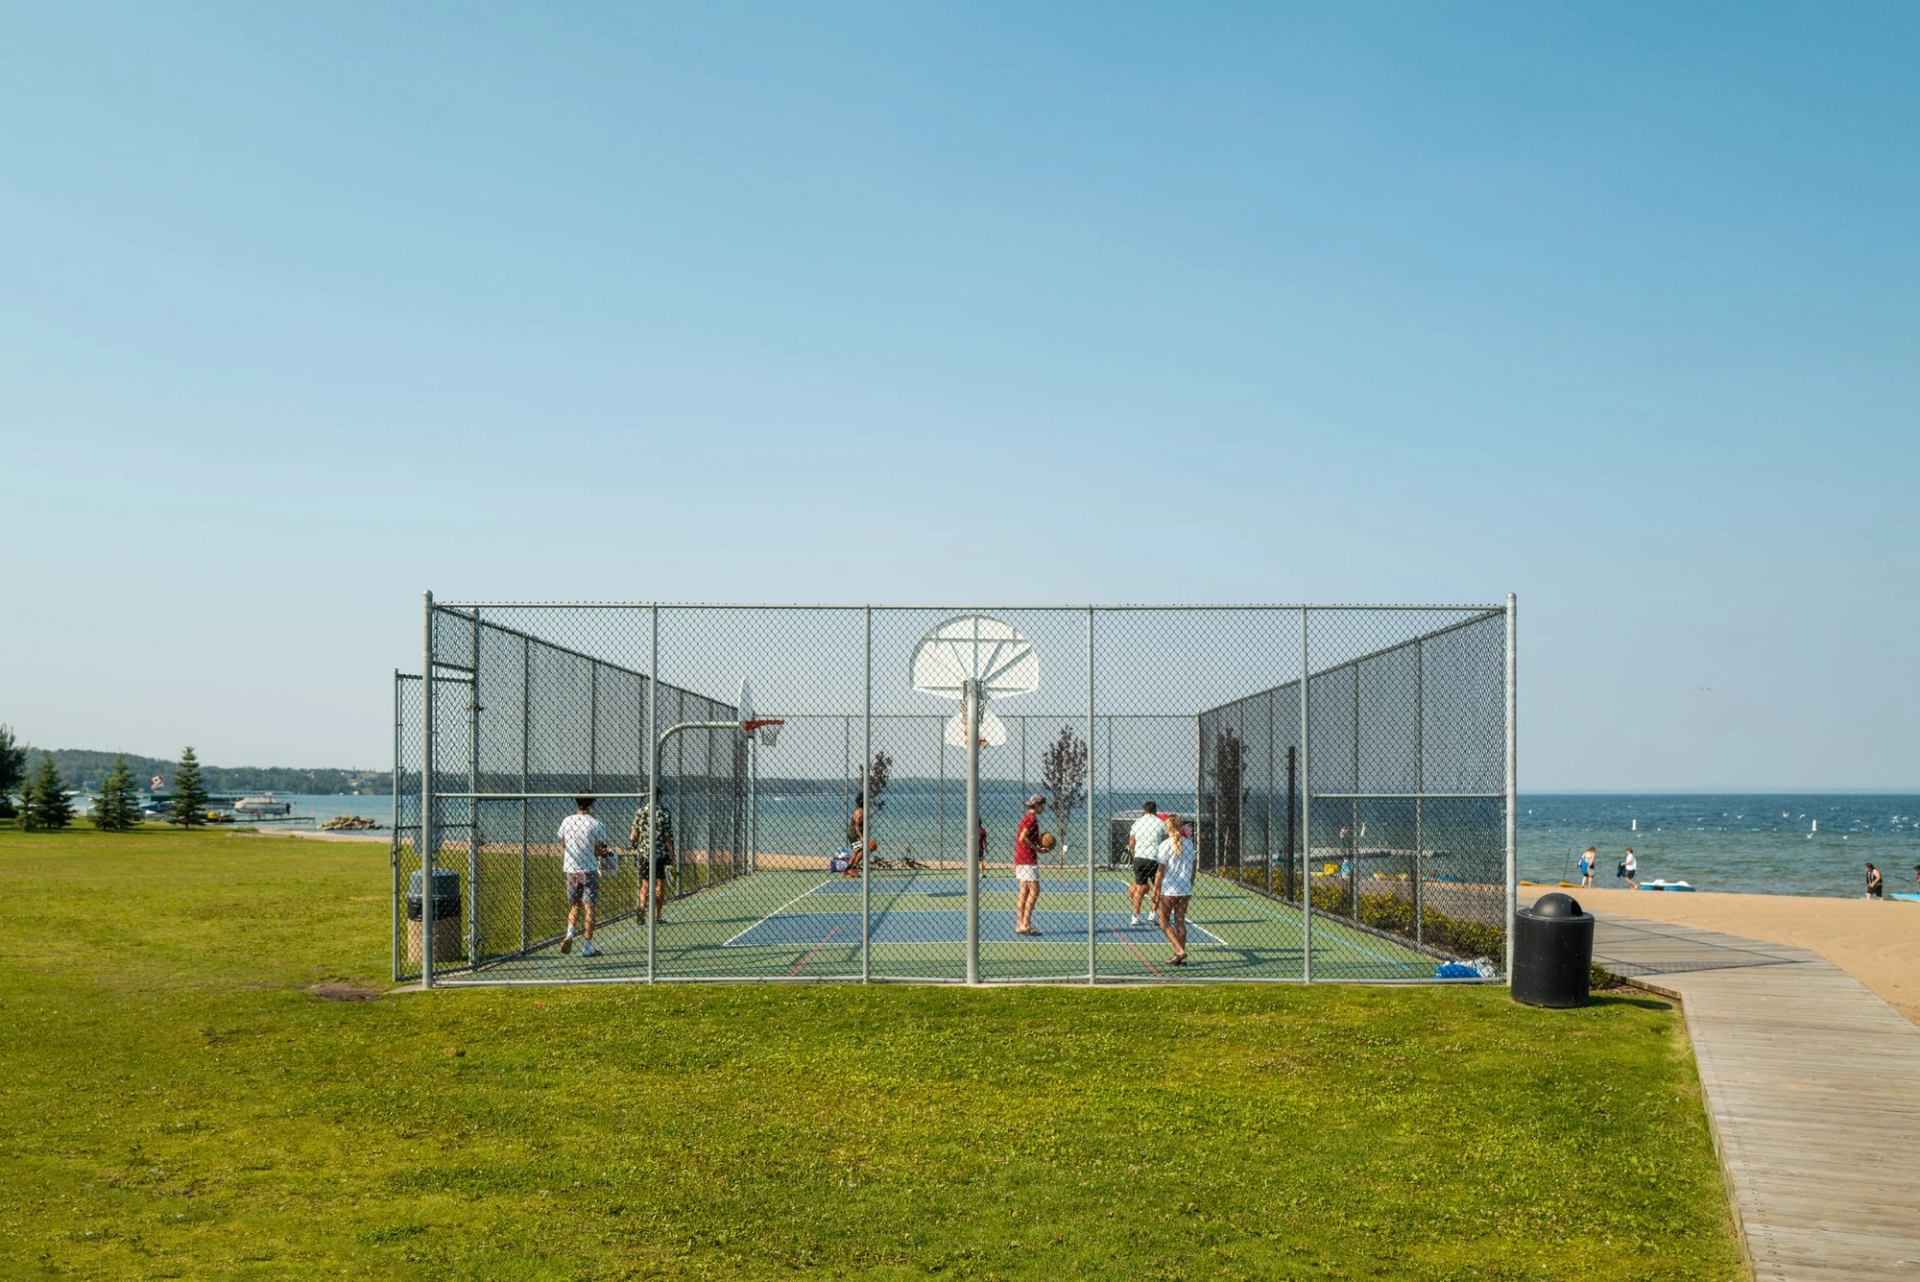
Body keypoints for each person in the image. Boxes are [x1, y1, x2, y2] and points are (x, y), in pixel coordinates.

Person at [558, 796, 613, 956]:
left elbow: (562, 842)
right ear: (591, 805)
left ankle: (569, 934)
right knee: (590, 907)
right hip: (589, 869)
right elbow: (601, 846)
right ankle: (587, 946)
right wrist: (604, 853)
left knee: (575, 905)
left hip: (571, 869)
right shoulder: (595, 823)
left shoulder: (567, 821)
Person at [1154, 813, 1196, 966]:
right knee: (1180, 921)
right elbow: (1193, 869)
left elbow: (1160, 871)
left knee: (1163, 919)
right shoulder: (1190, 844)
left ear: (1169, 827)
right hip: (1185, 888)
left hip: (1170, 889)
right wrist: (1189, 884)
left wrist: (1156, 890)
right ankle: (1179, 956)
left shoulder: (1165, 845)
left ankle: (1179, 950)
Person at [629, 795, 675, 922]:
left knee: (645, 883)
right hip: (659, 853)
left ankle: (642, 907)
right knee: (659, 884)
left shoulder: (640, 812)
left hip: (644, 853)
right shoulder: (663, 813)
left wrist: (635, 844)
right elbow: (667, 837)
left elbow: (634, 834)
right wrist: (672, 855)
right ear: (659, 797)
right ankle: (657, 915)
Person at [1126, 802, 1167, 926]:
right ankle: (1153, 913)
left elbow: (1131, 842)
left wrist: (1134, 854)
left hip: (1139, 858)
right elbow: (1165, 841)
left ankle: (1135, 916)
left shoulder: (1137, 823)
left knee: (1139, 888)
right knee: (1157, 887)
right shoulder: (1160, 823)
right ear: (1155, 810)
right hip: (1155, 859)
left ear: (1144, 810)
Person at [1013, 793, 1046, 935]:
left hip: (1021, 858)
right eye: (1042, 804)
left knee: (1024, 891)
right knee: (1034, 890)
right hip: (1027, 859)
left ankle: (1020, 924)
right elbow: (1023, 837)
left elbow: (1025, 837)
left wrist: (1038, 840)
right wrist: (1037, 848)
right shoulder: (1031, 818)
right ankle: (1025, 924)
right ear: (1037, 805)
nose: (1044, 807)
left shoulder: (1027, 817)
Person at [844, 792, 878, 877]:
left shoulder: (863, 810)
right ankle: (852, 868)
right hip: (853, 834)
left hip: (854, 834)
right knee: (861, 850)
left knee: (857, 851)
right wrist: (861, 837)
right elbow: (856, 826)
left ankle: (848, 869)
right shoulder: (859, 812)